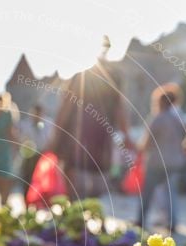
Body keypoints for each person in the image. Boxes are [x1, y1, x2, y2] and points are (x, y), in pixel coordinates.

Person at [50, 58, 131, 199]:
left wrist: (56, 139)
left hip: (78, 144)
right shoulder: (111, 78)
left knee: (77, 194)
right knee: (93, 193)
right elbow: (120, 111)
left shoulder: (81, 77)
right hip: (98, 146)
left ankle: (77, 215)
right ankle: (85, 214)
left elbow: (64, 110)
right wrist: (127, 137)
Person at [138, 84, 186, 235]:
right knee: (171, 192)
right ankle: (173, 222)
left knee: (147, 192)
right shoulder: (179, 120)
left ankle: (140, 220)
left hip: (157, 162)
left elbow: (146, 143)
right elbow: (185, 139)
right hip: (175, 161)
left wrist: (139, 149)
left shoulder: (158, 119)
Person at [17, 104, 53, 191]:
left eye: (39, 114)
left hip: (43, 156)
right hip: (29, 157)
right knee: (27, 179)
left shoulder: (49, 124)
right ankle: (27, 200)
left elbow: (51, 140)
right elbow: (21, 139)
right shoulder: (25, 124)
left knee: (43, 180)